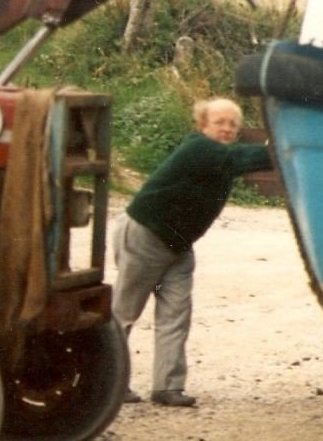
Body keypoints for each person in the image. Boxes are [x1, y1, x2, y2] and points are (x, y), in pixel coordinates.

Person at [111, 96, 272, 406]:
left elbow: (239, 159)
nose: (226, 129)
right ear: (202, 125)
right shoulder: (199, 148)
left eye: (233, 125)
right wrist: (285, 147)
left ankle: (167, 388)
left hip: (178, 244)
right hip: (145, 234)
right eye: (219, 122)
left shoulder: (219, 156)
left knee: (176, 314)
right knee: (124, 312)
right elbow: (242, 159)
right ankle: (109, 384)